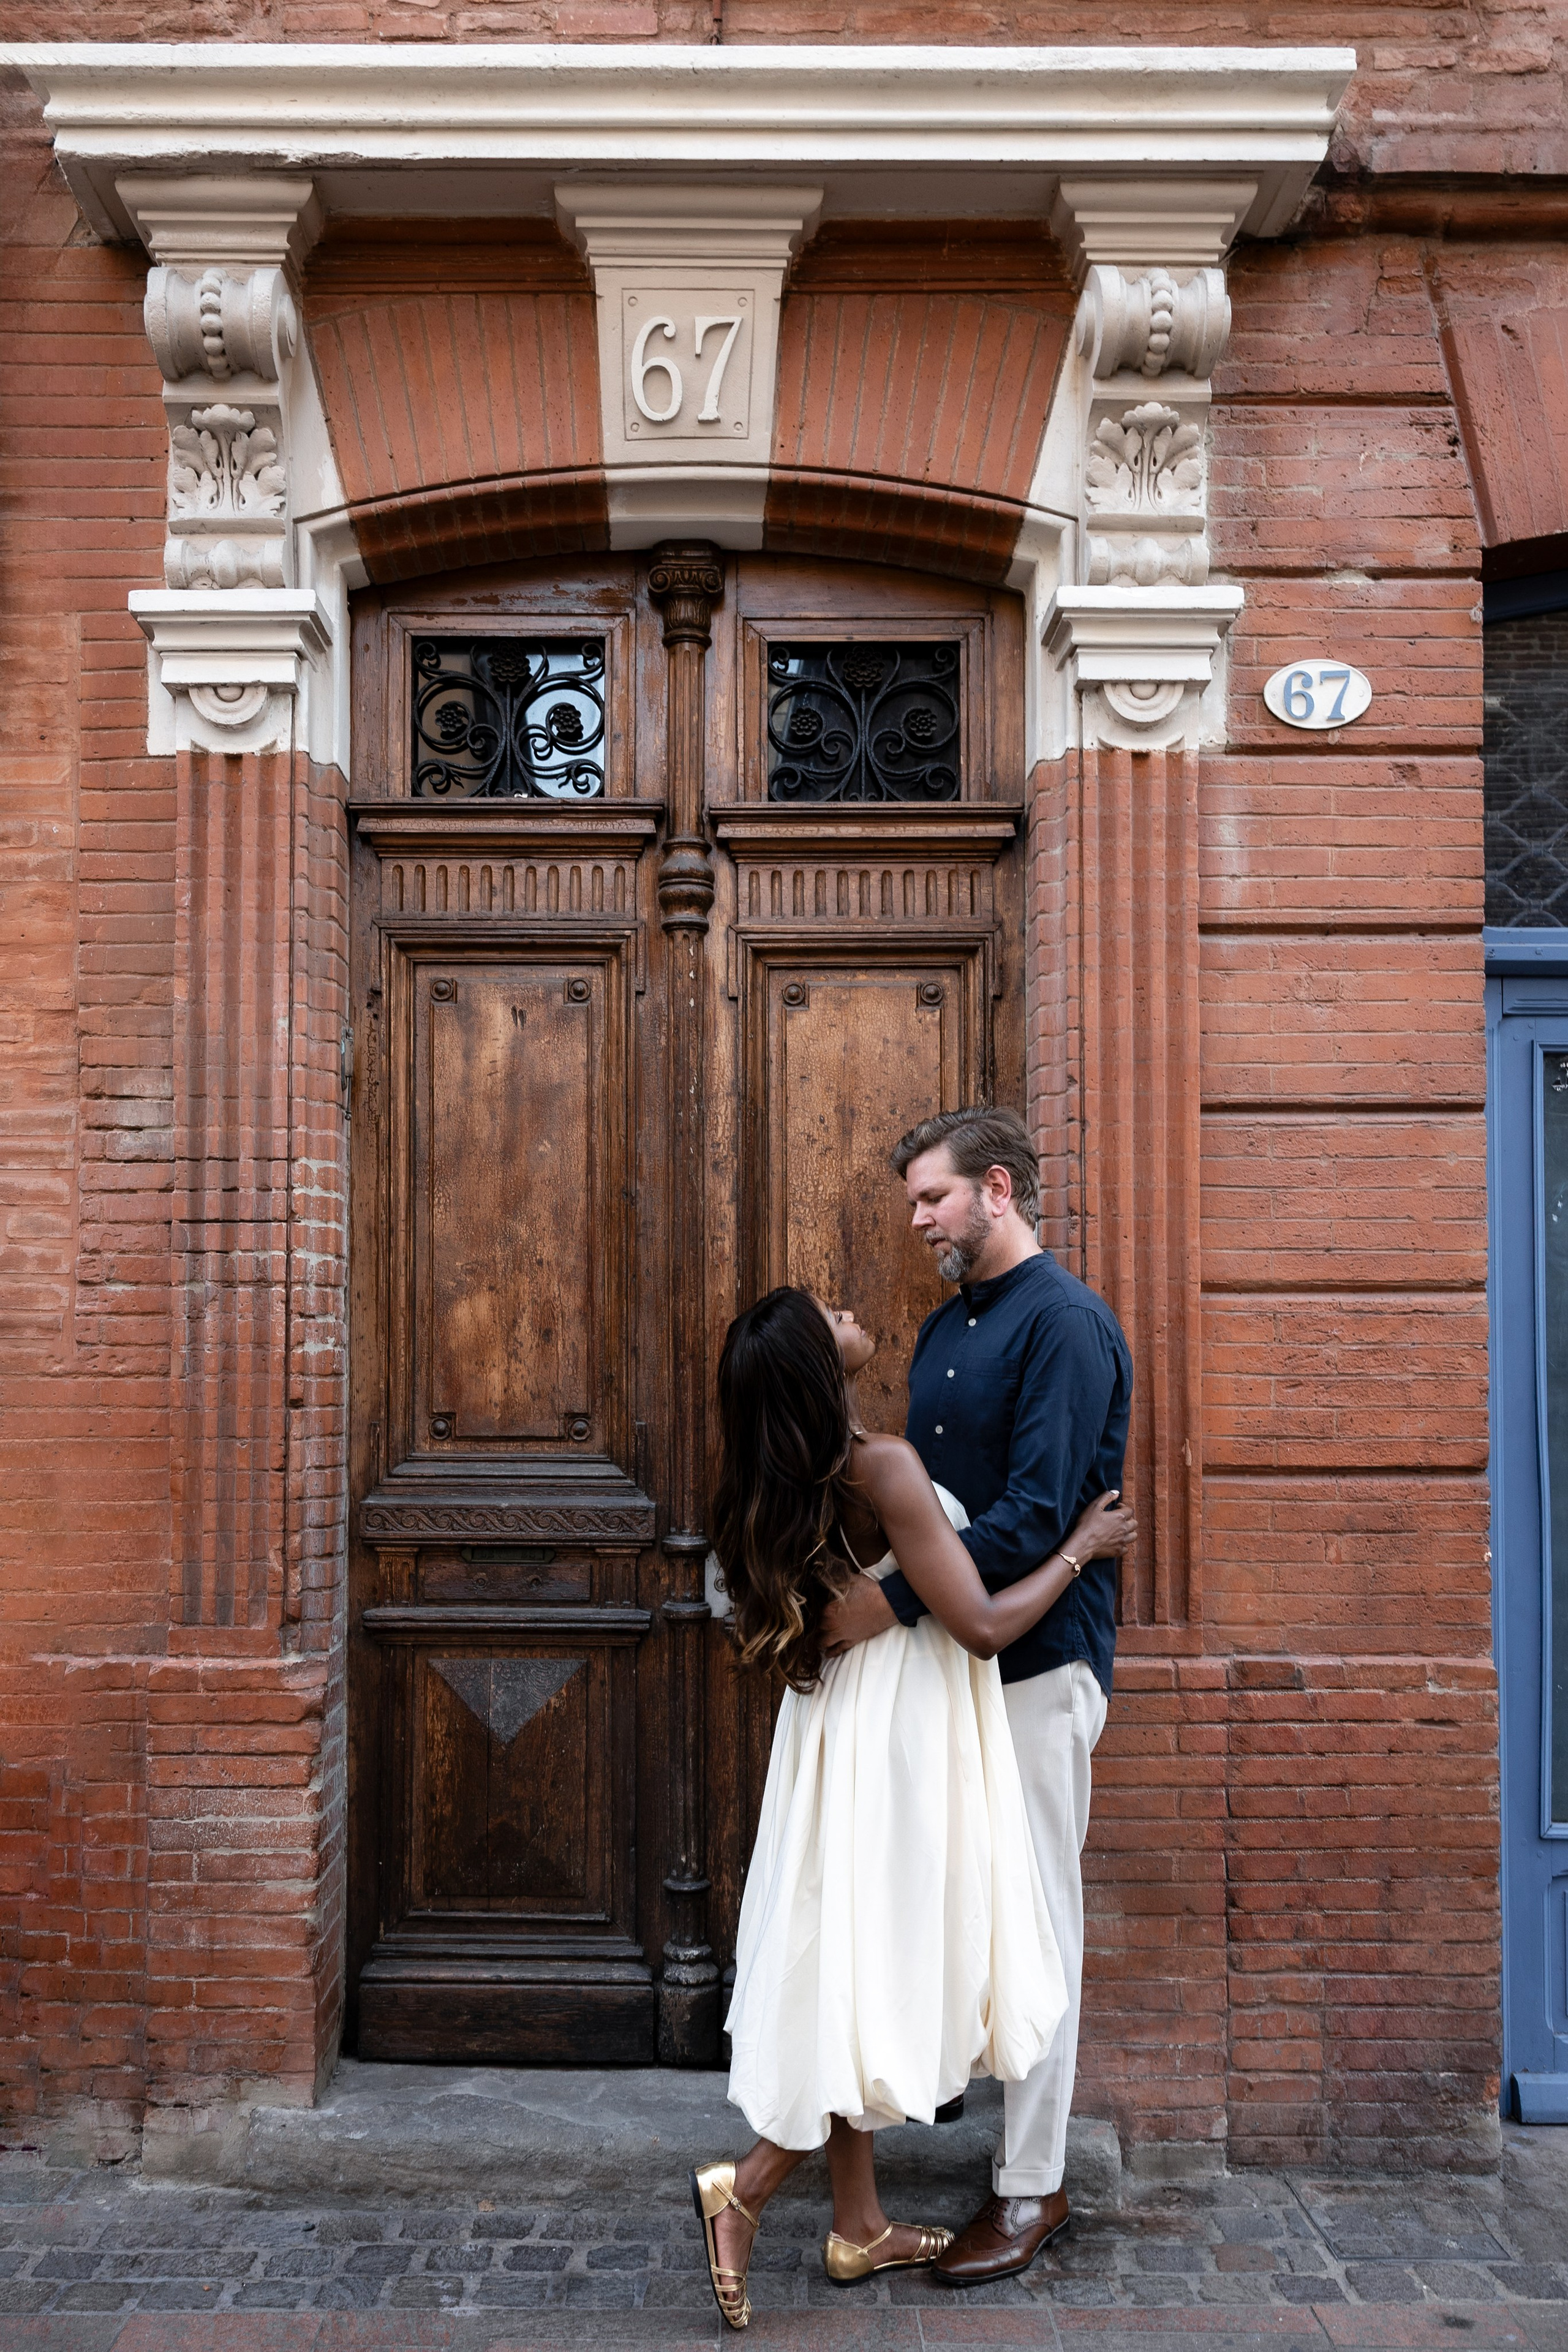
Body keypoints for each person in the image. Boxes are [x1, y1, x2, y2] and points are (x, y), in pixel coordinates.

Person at [688, 1284, 1136, 2331]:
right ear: (813, 1363)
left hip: (835, 1729)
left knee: (850, 1954)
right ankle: (746, 2188)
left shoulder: (779, 1474)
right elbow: (978, 1625)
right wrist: (1080, 1548)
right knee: (886, 1971)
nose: (851, 1308)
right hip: (898, 1732)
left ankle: (860, 2225)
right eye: (825, 1315)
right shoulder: (881, 1465)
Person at [821, 1104, 1133, 2288]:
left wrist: (887, 1602)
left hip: (1042, 1667)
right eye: (914, 1202)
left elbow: (1036, 1524)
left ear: (997, 1189)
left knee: (1040, 1924)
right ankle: (954, 2117)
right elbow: (938, 1515)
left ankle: (1033, 2187)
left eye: (932, 1200)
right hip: (958, 1667)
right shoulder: (947, 1326)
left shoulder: (1067, 1324)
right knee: (957, 1911)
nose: (917, 1222)